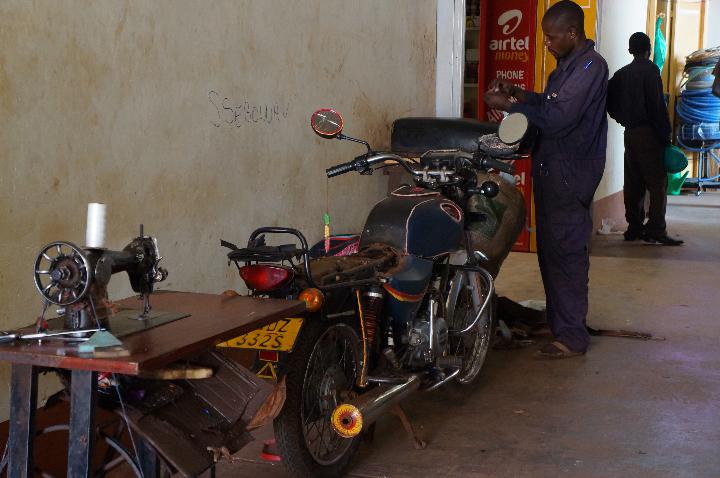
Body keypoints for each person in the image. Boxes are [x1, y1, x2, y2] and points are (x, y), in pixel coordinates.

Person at [484, 0, 607, 358]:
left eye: (552, 38)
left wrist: (509, 106)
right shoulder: (568, 65)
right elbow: (548, 104)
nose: (547, 44)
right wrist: (519, 93)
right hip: (554, 170)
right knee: (551, 252)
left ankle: (572, 336)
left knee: (566, 252)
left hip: (570, 174)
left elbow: (557, 119)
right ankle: (560, 323)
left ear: (573, 33)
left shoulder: (590, 67)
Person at [606, 32, 683, 246]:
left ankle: (634, 227)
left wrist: (621, 118)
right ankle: (656, 229)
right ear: (649, 50)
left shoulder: (622, 74)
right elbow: (657, 106)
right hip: (649, 134)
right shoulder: (651, 70)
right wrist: (665, 135)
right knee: (657, 183)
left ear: (630, 50)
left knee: (633, 182)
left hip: (630, 134)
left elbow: (606, 98)